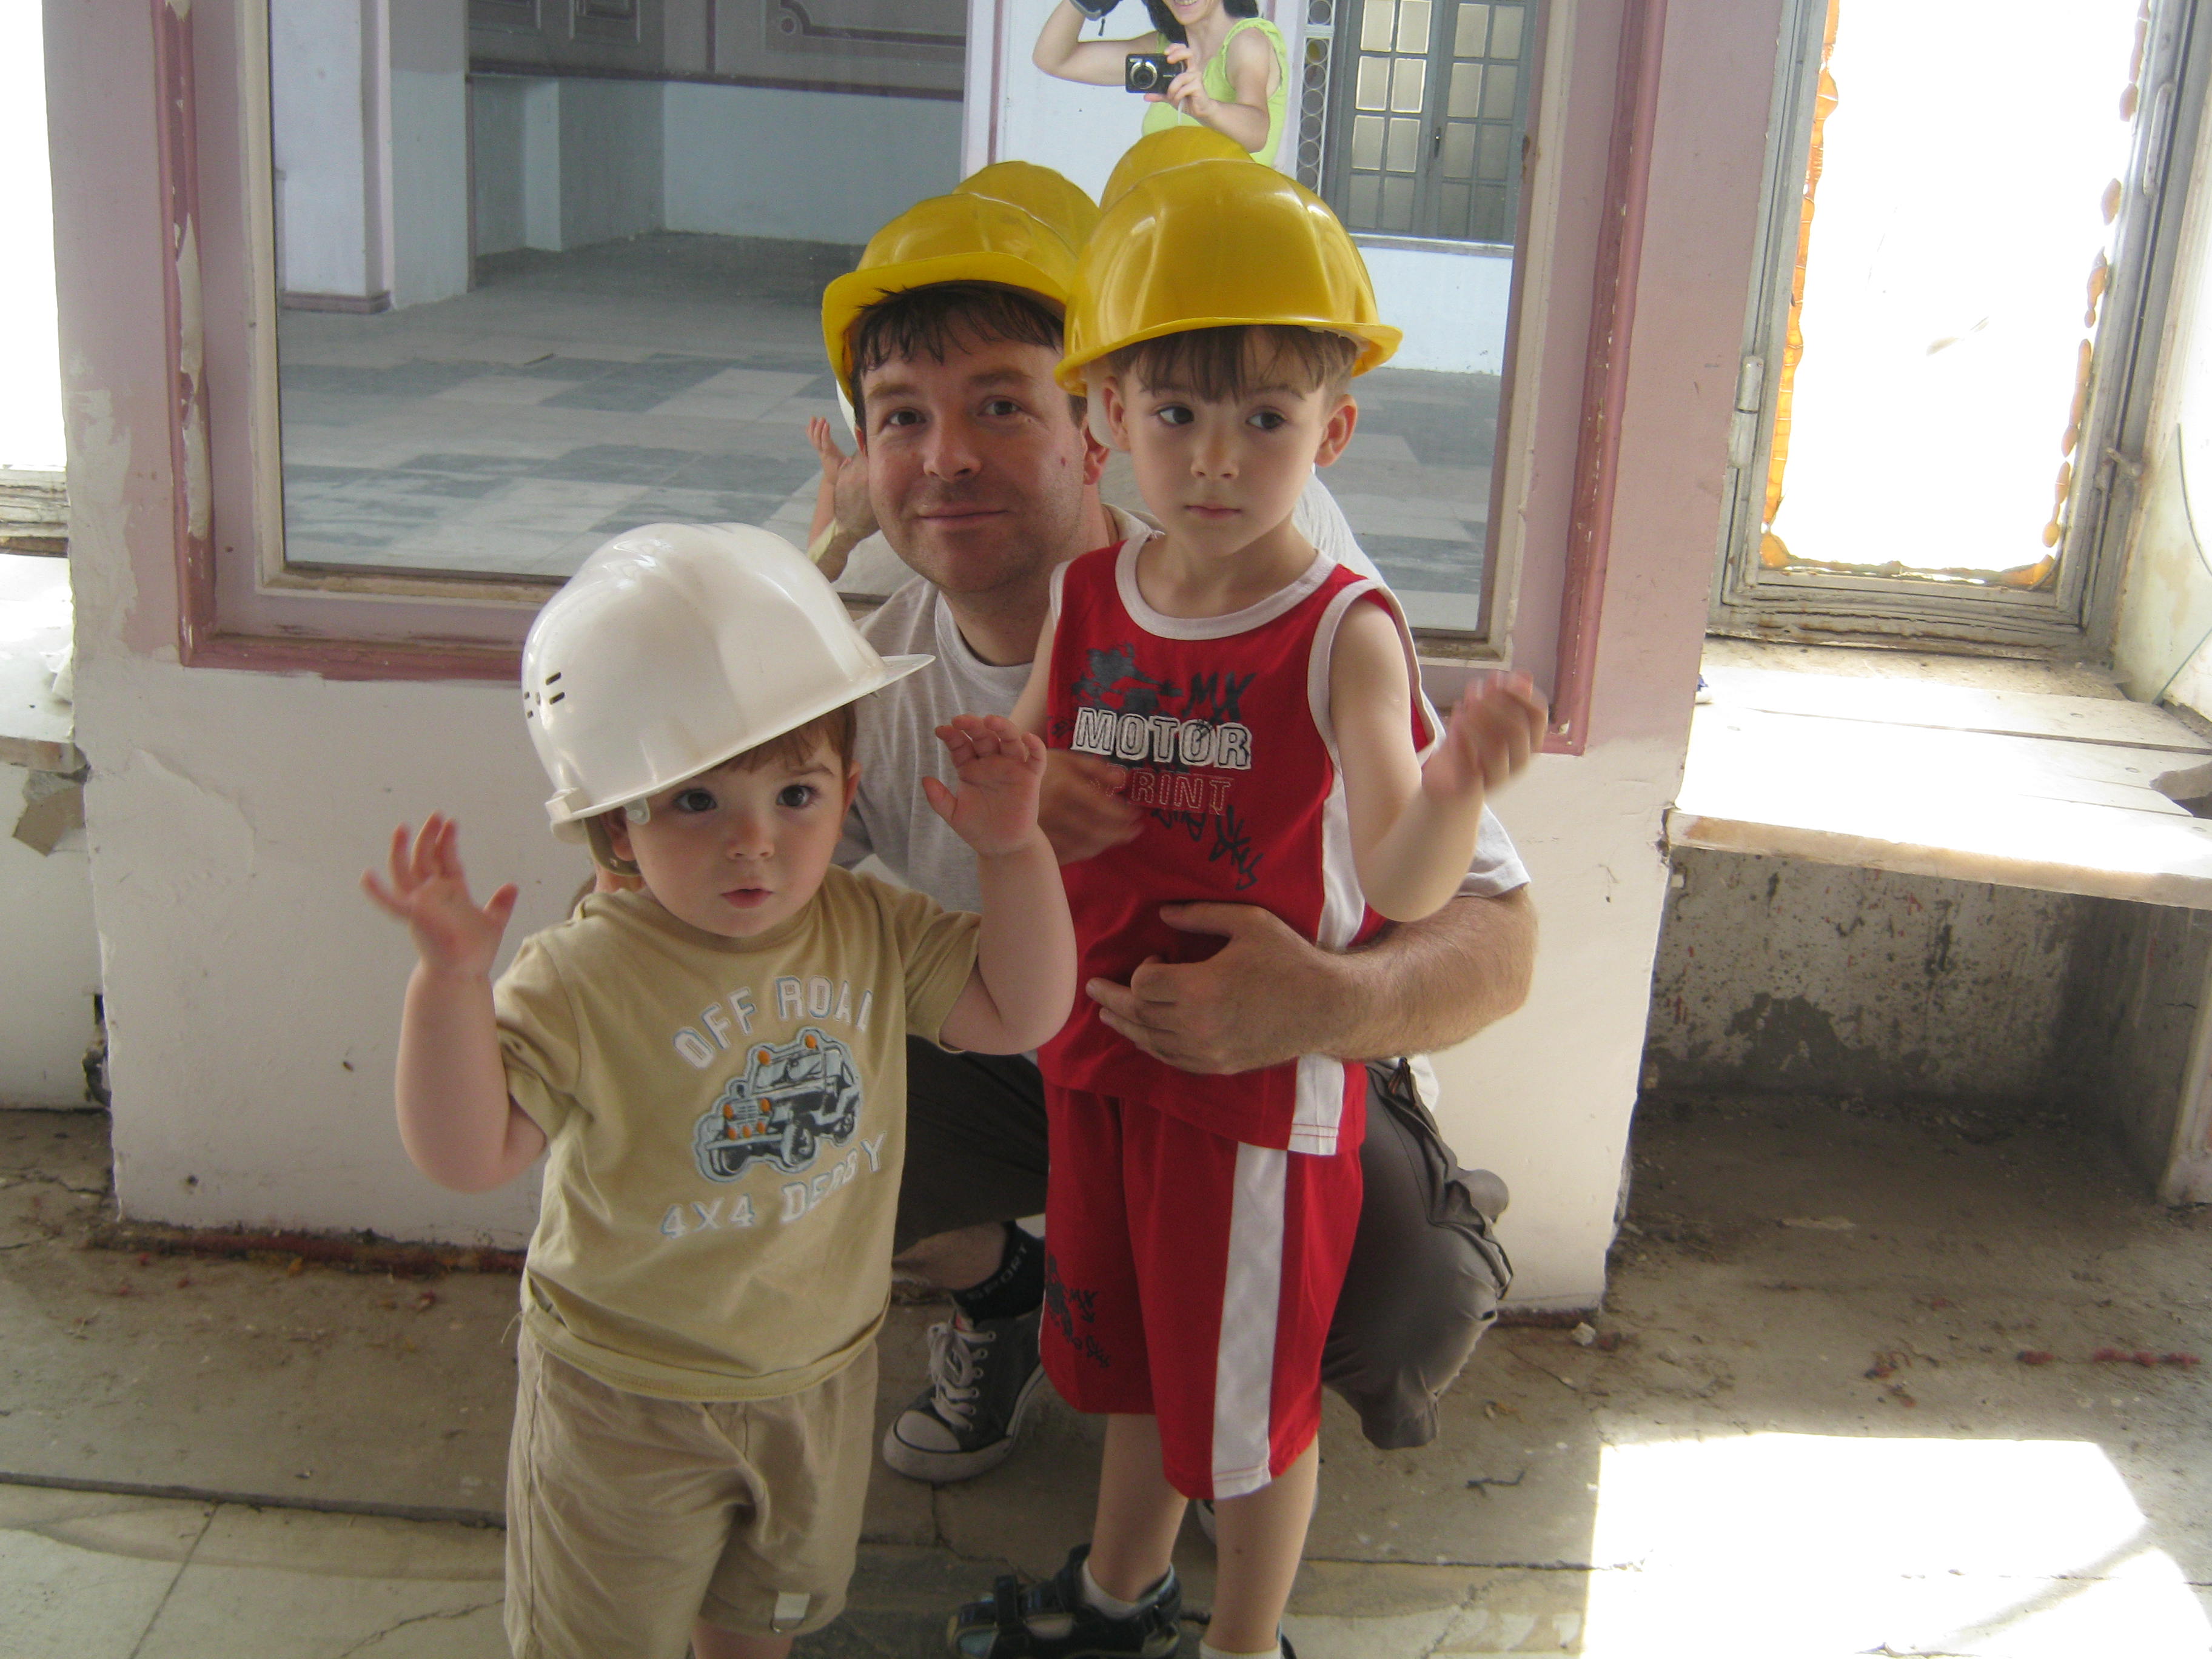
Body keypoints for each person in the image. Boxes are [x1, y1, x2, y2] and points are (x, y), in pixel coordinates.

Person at [811, 164, 1536, 1493]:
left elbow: (1498, 935)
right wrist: (815, 561)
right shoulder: (869, 677)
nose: (946, 457)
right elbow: (711, 879)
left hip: (1263, 1061)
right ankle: (1005, 1294)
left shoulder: (1284, 603)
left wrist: (1317, 1002)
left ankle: (1271, 1377)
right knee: (771, 1106)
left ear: (1092, 426)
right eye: (902, 417)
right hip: (1042, 1058)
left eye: (1000, 405)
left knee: (1401, 1309)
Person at [361, 523, 1074, 1659]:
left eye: (796, 794)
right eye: (696, 801)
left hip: (819, 1375)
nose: (755, 842)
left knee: (761, 1625)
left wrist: (1012, 851)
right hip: (625, 1396)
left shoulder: (869, 924)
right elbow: (466, 1155)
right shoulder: (582, 973)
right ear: (617, 822)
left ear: (848, 790)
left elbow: (1022, 1011)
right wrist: (447, 987)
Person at [1033, 0, 1289, 165]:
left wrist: (1208, 109)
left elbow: (1256, 134)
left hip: (1236, 224)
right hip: (1171, 224)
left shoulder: (1247, 40)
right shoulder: (1164, 47)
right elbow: (1054, 60)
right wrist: (1082, 3)